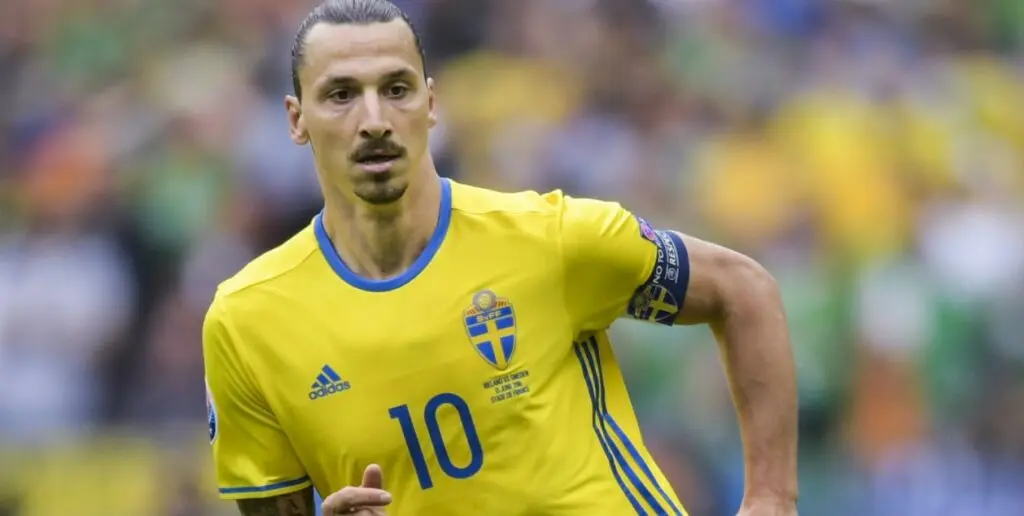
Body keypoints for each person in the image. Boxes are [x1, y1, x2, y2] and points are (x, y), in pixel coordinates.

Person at [201, 1, 799, 515]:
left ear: (430, 103)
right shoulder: (248, 322)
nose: (375, 120)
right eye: (341, 95)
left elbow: (743, 289)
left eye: (397, 89)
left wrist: (771, 498)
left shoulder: (549, 239)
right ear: (296, 118)